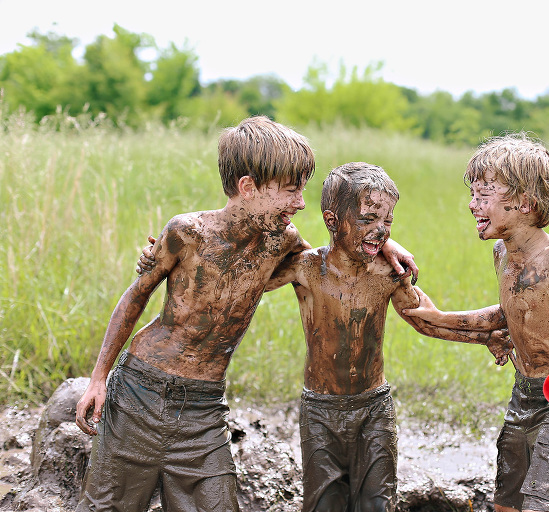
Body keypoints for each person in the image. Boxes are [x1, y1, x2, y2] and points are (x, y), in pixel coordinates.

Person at [74, 117, 417, 512]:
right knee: (105, 506)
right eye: (291, 190)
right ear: (248, 187)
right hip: (140, 391)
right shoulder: (186, 232)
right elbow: (134, 298)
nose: (301, 202)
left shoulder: (282, 241)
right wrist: (98, 379)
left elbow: (337, 256)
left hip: (204, 408)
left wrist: (386, 242)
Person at [403, 133, 549, 512]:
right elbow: (514, 311)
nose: (472, 205)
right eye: (473, 195)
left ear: (525, 204)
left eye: (484, 196)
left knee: (542, 504)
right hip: (524, 395)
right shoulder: (502, 253)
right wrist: (439, 319)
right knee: (506, 503)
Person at [262, 162, 511, 512]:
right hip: (320, 409)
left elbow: (424, 320)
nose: (379, 231)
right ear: (332, 221)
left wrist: (484, 337)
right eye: (368, 220)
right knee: (324, 504)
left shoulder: (387, 272)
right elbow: (249, 284)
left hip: (373, 408)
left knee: (378, 503)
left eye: (388, 222)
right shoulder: (305, 268)